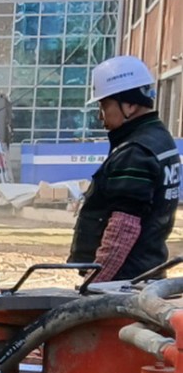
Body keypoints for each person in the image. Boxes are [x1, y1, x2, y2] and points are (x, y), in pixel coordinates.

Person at [69, 56, 180, 283]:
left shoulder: (135, 152)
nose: (100, 117)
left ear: (129, 104)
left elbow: (123, 231)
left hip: (123, 281)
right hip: (147, 272)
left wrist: (94, 285)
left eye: (104, 106)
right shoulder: (160, 140)